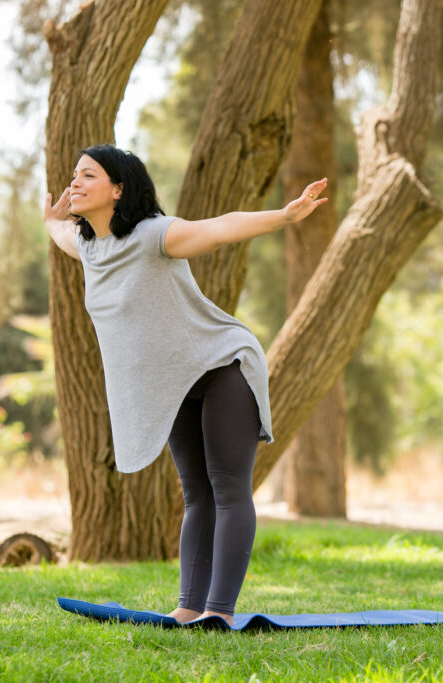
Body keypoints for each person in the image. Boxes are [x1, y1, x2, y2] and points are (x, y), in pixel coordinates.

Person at [43, 144, 328, 626]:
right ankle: (188, 607)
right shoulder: (90, 248)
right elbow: (61, 236)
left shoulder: (155, 235)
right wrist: (50, 220)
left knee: (228, 489)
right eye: (74, 175)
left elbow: (218, 229)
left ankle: (217, 612)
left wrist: (284, 215)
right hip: (173, 380)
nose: (75, 183)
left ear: (118, 189)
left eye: (87, 176)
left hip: (221, 366)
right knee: (196, 493)